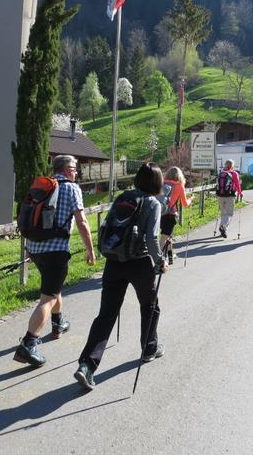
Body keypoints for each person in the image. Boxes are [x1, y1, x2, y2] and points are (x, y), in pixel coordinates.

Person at [74, 163, 167, 391]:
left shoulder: (123, 197)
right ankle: (149, 348)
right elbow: (152, 238)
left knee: (106, 314)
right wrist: (160, 261)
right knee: (150, 305)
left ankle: (87, 365)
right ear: (157, 182)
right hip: (139, 263)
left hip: (114, 260)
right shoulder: (153, 203)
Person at [13, 155, 97, 367]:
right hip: (55, 251)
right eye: (75, 168)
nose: (76, 172)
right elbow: (82, 221)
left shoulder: (45, 187)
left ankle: (58, 322)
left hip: (35, 248)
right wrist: (90, 250)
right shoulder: (71, 188)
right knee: (48, 298)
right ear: (67, 169)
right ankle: (28, 344)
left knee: (53, 287)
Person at [160, 167, 194, 265]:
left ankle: (170, 256)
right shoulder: (179, 186)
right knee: (164, 237)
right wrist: (191, 199)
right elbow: (184, 204)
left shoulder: (161, 184)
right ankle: (157, 259)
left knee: (168, 236)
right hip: (171, 215)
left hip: (159, 213)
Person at [216, 159, 243, 238]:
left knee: (223, 213)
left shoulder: (221, 173)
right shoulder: (234, 173)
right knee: (229, 213)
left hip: (220, 195)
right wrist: (240, 193)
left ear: (225, 165)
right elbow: (237, 184)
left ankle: (223, 230)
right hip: (230, 196)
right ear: (232, 166)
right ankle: (223, 226)